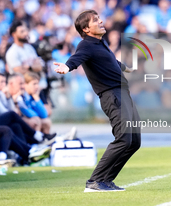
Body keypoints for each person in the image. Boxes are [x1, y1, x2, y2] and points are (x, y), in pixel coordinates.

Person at [54, 10, 141, 192]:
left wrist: (127, 68)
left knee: (134, 141)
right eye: (95, 20)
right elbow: (75, 59)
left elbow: (112, 62)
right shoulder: (86, 45)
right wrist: (67, 67)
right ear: (86, 29)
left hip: (123, 94)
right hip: (112, 96)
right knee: (124, 139)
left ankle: (106, 180)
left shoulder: (100, 43)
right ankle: (94, 181)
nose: (101, 21)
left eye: (99, 18)